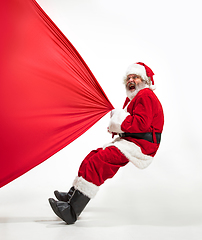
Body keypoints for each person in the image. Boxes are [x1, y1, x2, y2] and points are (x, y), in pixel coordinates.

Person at [48, 62, 164, 224]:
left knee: (99, 162)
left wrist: (118, 119)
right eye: (129, 78)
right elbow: (131, 123)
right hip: (130, 141)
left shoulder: (145, 95)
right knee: (93, 157)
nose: (131, 80)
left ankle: (72, 211)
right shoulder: (133, 98)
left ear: (144, 80)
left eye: (135, 77)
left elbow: (141, 124)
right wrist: (119, 122)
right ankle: (71, 196)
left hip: (141, 145)